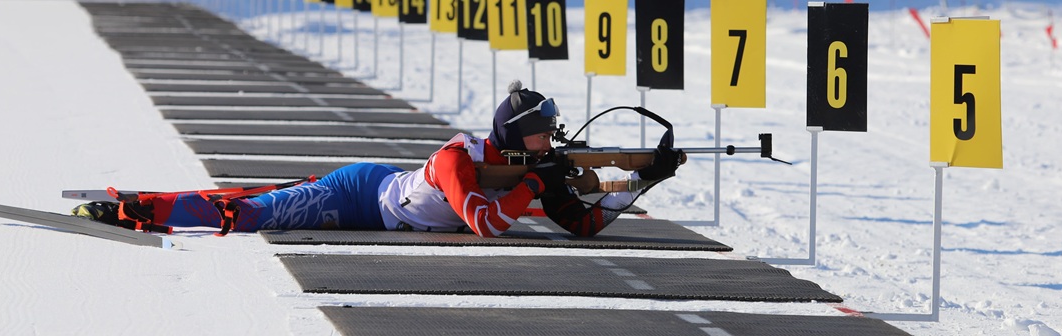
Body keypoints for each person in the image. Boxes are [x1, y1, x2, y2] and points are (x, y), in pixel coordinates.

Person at [73, 80, 682, 237]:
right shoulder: (458, 157)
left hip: (381, 204)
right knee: (255, 213)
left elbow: (583, 224)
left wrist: (639, 182)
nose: (553, 141)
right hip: (359, 194)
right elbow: (485, 224)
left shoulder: (534, 169)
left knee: (257, 208)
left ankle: (143, 205)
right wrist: (534, 189)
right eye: (544, 134)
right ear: (517, 135)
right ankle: (135, 211)